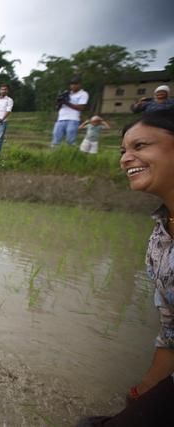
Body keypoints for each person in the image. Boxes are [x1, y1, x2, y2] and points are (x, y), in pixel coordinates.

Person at [78, 110, 174, 426]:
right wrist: (149, 385)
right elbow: (171, 327)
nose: (125, 159)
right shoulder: (161, 238)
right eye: (122, 151)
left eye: (140, 146)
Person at [51, 76, 89, 147]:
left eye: (75, 84)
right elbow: (56, 108)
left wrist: (66, 103)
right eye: (71, 84)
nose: (73, 85)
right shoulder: (66, 93)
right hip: (61, 119)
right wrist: (59, 102)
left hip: (73, 119)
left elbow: (81, 107)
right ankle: (54, 155)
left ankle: (71, 155)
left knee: (70, 141)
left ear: (80, 84)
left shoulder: (83, 94)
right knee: (55, 139)